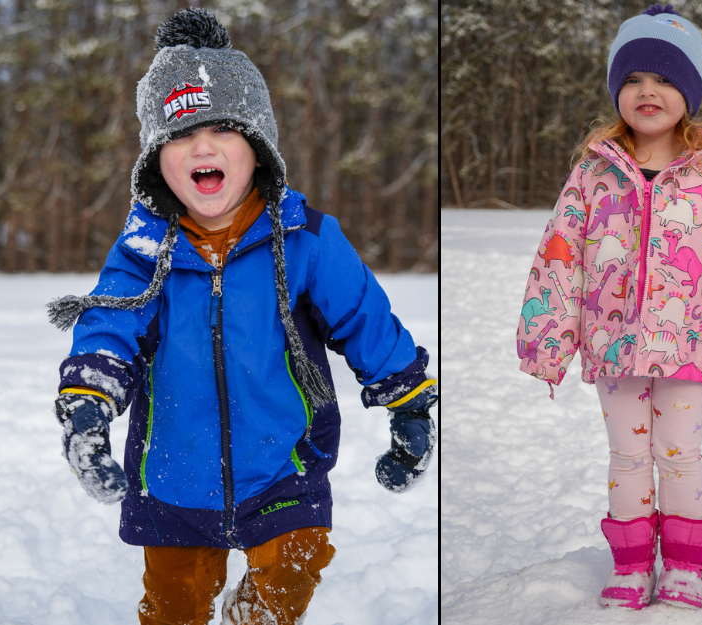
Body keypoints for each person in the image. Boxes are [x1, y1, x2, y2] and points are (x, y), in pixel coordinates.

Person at [47, 8, 437, 625]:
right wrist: (88, 402)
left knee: (289, 578)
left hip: (285, 464)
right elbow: (109, 330)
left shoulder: (306, 239)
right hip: (173, 474)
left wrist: (410, 401)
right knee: (172, 607)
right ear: (156, 161)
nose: (203, 146)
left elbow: (365, 318)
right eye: (180, 134)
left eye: (224, 130)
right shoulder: (143, 253)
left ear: (257, 148)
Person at [516, 3, 702, 611]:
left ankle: (685, 566)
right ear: (616, 91)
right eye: (632, 79)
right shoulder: (593, 172)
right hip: (613, 346)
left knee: (679, 453)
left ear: (689, 91)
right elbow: (560, 256)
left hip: (687, 343)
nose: (647, 91)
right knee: (628, 455)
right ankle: (632, 566)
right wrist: (547, 337)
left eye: (663, 78)